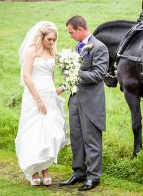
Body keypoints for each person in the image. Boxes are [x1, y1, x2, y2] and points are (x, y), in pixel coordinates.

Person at [58, 15, 109, 191]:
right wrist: (64, 85)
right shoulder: (77, 47)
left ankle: (93, 177)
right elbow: (74, 74)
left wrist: (74, 74)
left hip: (91, 102)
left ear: (80, 29)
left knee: (91, 140)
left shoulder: (99, 47)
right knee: (77, 138)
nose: (70, 35)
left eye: (71, 32)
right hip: (75, 100)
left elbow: (98, 74)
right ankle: (79, 172)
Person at [15, 21, 68, 186]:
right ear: (41, 37)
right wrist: (38, 100)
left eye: (54, 40)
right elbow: (26, 77)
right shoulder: (31, 51)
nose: (52, 42)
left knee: (50, 133)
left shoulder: (51, 51)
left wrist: (57, 90)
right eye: (49, 39)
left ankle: (45, 169)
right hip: (34, 96)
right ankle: (35, 171)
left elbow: (51, 76)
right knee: (34, 132)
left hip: (49, 95)